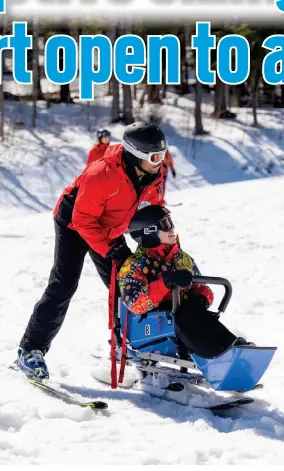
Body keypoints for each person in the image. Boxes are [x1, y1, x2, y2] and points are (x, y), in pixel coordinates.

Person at [16, 123, 169, 380]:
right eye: (155, 157)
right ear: (136, 154)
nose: (160, 162)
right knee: (64, 284)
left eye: (163, 156)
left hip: (108, 225)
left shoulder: (153, 175)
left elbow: (152, 212)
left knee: (128, 282)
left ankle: (128, 345)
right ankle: (30, 351)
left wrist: (161, 248)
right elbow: (84, 219)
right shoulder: (102, 173)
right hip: (74, 222)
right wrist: (110, 249)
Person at [118, 205, 248, 359]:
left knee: (197, 314)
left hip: (183, 313)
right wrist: (164, 283)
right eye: (166, 225)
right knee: (184, 316)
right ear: (149, 232)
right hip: (154, 322)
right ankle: (217, 355)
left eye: (171, 222)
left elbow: (201, 287)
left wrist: (201, 298)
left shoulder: (181, 258)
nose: (172, 228)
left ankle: (231, 346)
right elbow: (134, 304)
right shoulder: (135, 265)